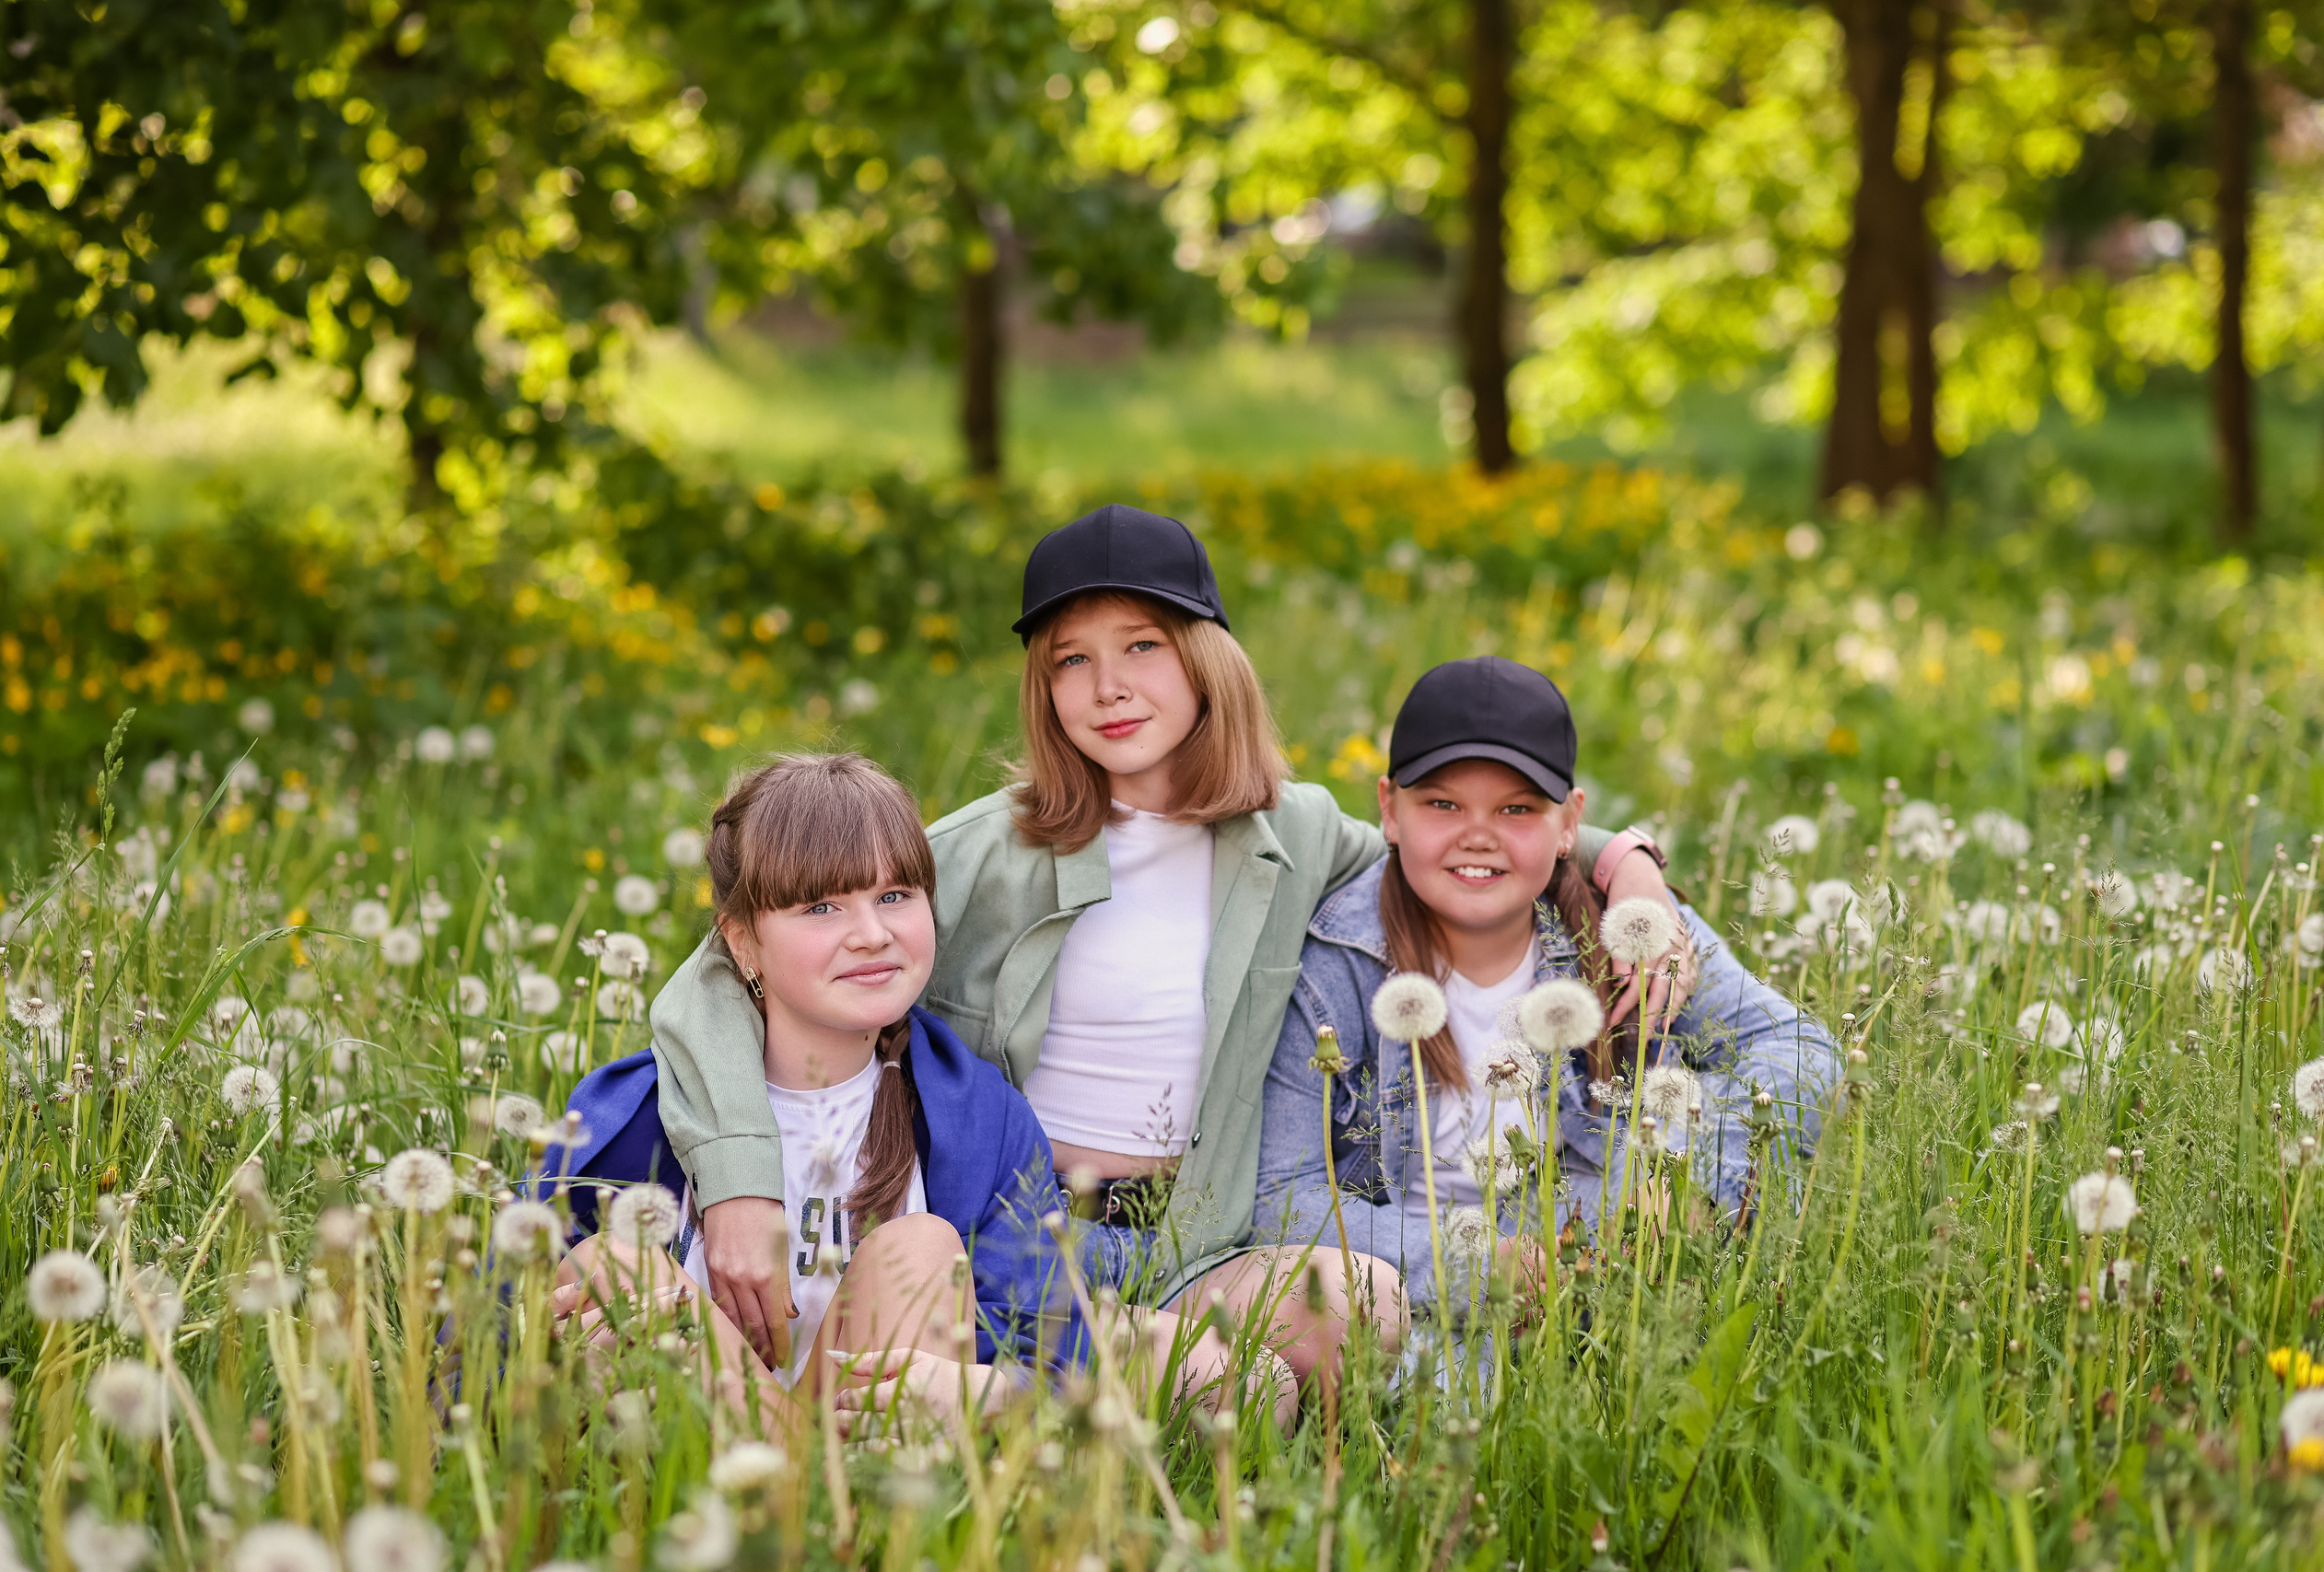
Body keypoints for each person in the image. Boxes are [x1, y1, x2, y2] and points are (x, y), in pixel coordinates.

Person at [648, 506, 1691, 1397]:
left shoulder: (1291, 831)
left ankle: (1307, 1521)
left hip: (1203, 1237)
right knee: (1172, 1386)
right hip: (1027, 1234)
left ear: (1205, 661)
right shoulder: (978, 851)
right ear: (1043, 687)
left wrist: (1629, 866)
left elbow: (1453, 835)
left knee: (1351, 1304)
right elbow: (714, 979)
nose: (1109, 686)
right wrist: (739, 1182)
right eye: (1072, 660)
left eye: (1142, 646)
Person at [545, 753, 1244, 1422]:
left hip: (879, 1446)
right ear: (742, 940)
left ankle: (823, 1502)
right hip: (700, 1451)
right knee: (609, 1263)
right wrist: (553, 1343)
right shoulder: (639, 1111)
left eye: (894, 895)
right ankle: (796, 1485)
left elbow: (1042, 1341)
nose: (872, 933)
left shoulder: (976, 1117)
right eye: (821, 907)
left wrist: (981, 1388)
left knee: (922, 1248)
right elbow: (490, 1321)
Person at [1254, 657, 1840, 1306]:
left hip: (1607, 1265)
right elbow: (1284, 1196)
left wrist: (1678, 1178)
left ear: (1569, 823)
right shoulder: (1334, 963)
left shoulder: (1633, 931)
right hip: (1416, 1289)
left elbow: (1803, 1054)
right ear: (1390, 809)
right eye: (1443, 803)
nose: (1478, 836)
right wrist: (1492, 1268)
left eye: (1516, 808)